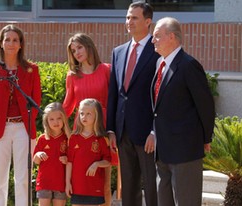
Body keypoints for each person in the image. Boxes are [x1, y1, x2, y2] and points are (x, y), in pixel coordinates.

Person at [151, 17, 215, 206]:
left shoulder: (188, 65)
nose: (153, 40)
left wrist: (206, 138)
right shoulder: (159, 64)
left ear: (171, 37)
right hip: (162, 151)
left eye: (156, 36)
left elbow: (205, 105)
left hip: (185, 151)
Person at [106, 2, 159, 206]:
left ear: (148, 22)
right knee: (128, 185)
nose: (129, 22)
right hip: (122, 131)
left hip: (147, 134)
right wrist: (111, 129)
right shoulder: (118, 52)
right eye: (128, 17)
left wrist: (154, 131)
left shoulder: (157, 52)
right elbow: (114, 94)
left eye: (134, 18)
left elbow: (159, 95)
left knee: (152, 186)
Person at [0, 24, 42, 206]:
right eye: (7, 39)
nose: (11, 43)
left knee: (23, 179)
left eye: (15, 40)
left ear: (21, 45)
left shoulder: (31, 69)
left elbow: (36, 100)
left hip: (23, 128)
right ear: (1, 43)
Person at [62, 32, 113, 205]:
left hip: (103, 131)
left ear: (89, 46)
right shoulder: (72, 75)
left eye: (80, 47)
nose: (77, 52)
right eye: (73, 50)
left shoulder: (106, 69)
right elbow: (67, 106)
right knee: (81, 183)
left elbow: (115, 100)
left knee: (104, 184)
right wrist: (65, 130)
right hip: (81, 133)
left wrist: (113, 130)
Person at [65, 98, 112, 206]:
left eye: (88, 114)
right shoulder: (73, 138)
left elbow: (108, 161)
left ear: (97, 116)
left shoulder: (102, 139)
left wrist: (97, 164)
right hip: (77, 188)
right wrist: (67, 183)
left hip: (94, 188)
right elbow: (69, 162)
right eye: (81, 113)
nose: (84, 117)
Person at [33, 102, 71, 206]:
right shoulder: (42, 139)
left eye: (59, 118)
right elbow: (35, 161)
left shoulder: (68, 139)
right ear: (46, 121)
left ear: (63, 119)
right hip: (44, 182)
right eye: (51, 119)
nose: (56, 122)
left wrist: (67, 159)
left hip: (61, 183)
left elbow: (73, 161)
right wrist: (38, 155)